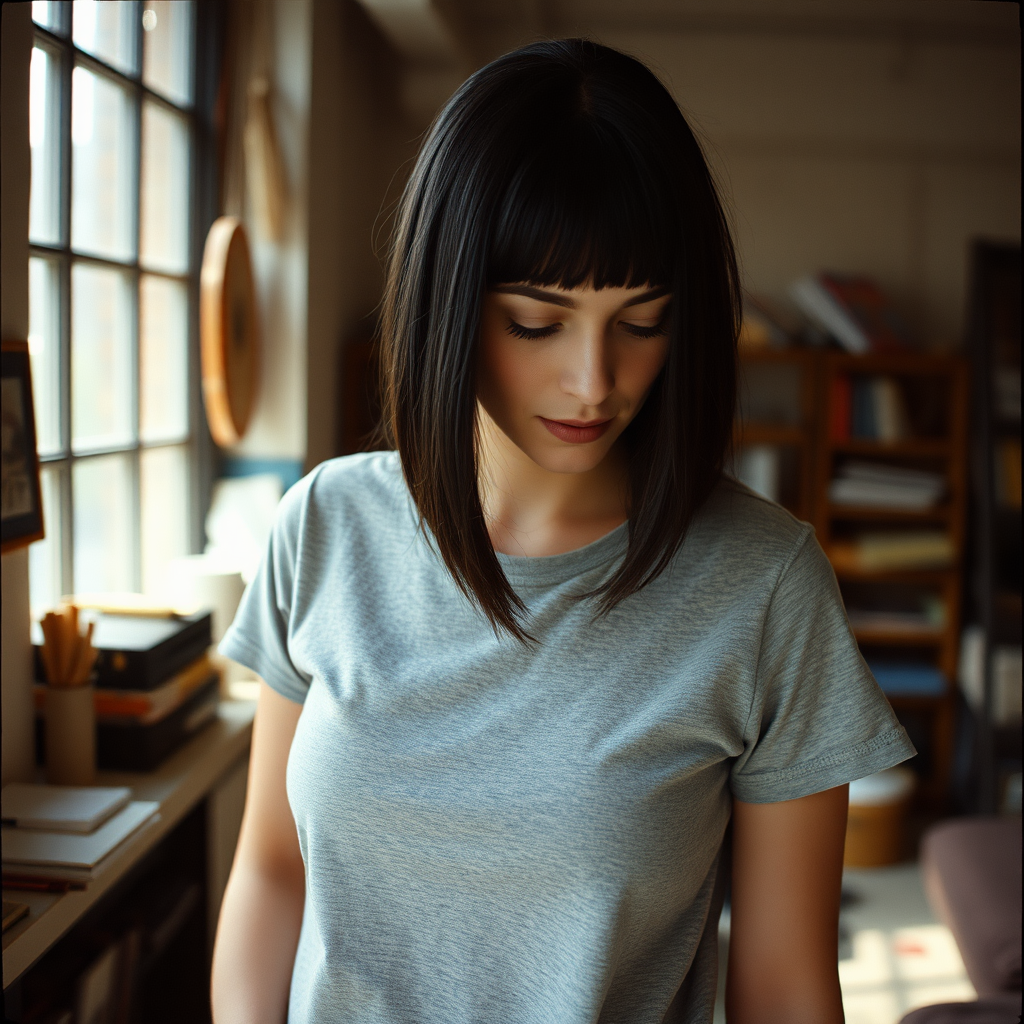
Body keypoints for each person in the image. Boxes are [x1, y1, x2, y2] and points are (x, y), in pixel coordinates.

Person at [210, 38, 914, 1024]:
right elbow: (272, 872)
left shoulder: (762, 584)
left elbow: (786, 987)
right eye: (538, 322)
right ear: (446, 302)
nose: (595, 379)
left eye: (641, 319)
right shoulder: (326, 525)